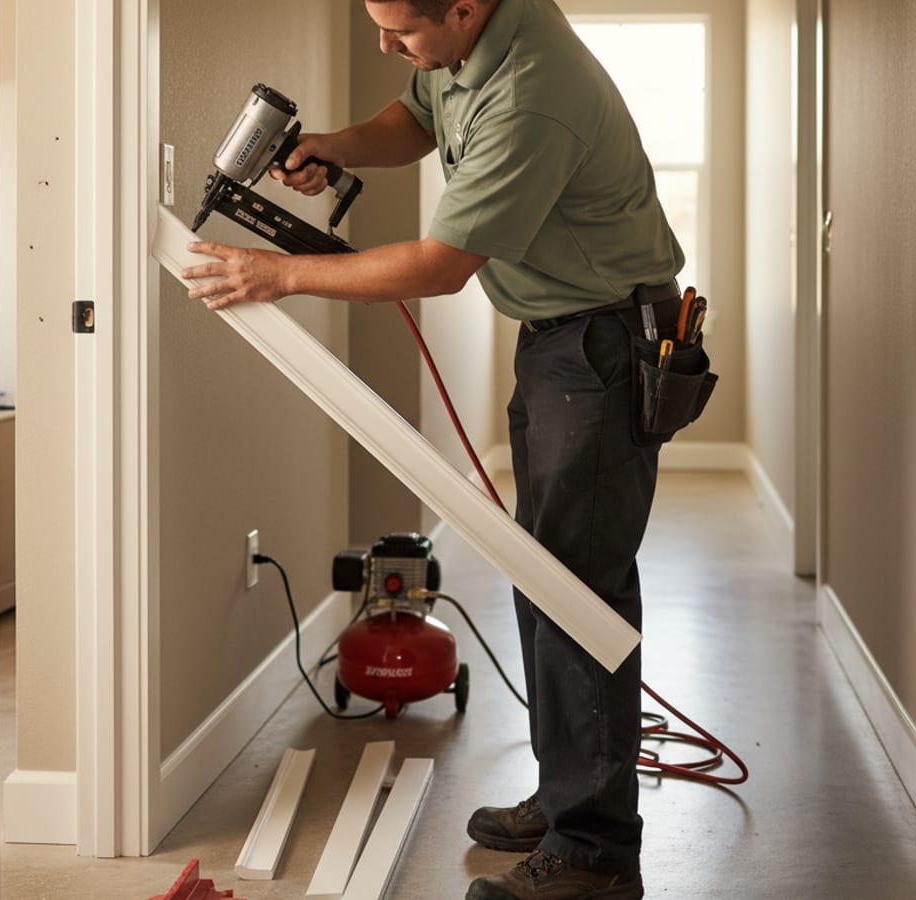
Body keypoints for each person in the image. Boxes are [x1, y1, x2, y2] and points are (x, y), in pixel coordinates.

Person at [182, 2, 685, 898]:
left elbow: (439, 264)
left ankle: (596, 855)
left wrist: (282, 272)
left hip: (603, 345)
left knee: (577, 589)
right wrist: (334, 145)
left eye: (401, 28)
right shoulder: (477, 36)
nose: (385, 43)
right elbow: (416, 115)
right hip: (558, 336)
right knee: (543, 574)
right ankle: (571, 793)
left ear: (462, 9)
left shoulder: (535, 93)